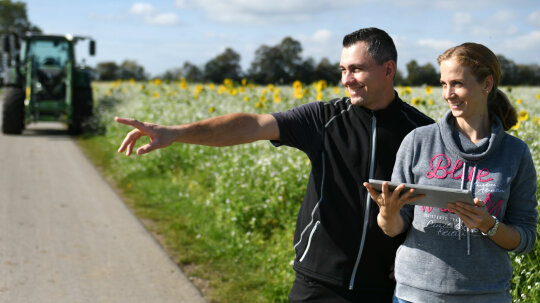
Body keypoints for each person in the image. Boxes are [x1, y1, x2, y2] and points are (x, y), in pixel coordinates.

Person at [115, 27, 434, 302]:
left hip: (385, 286)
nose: (346, 79)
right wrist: (177, 133)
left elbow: (434, 207)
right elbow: (252, 125)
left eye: (356, 69)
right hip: (318, 281)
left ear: (388, 69)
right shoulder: (324, 119)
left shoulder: (423, 132)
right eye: (342, 69)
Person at [364, 42, 538, 303]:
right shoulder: (418, 142)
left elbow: (525, 239)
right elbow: (394, 228)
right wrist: (387, 213)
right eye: (444, 84)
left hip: (485, 296)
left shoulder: (516, 153)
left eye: (457, 83)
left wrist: (487, 225)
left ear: (486, 84)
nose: (448, 94)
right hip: (414, 295)